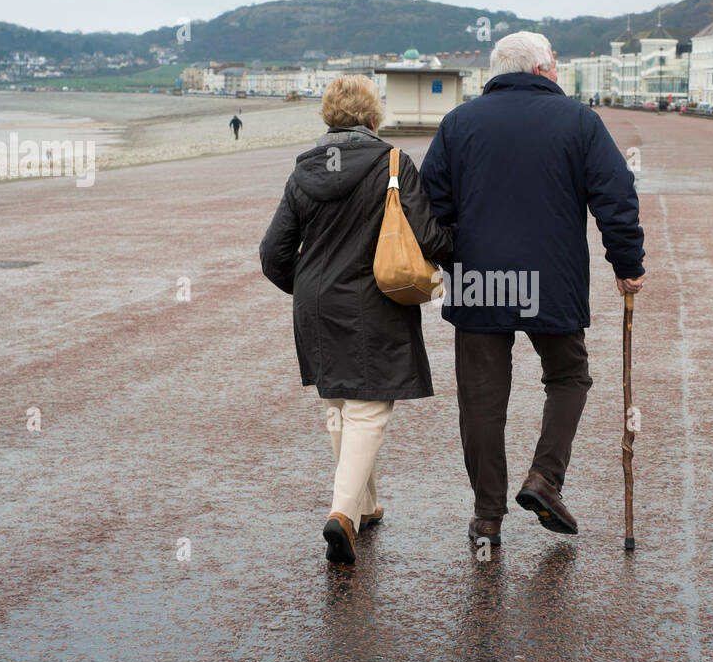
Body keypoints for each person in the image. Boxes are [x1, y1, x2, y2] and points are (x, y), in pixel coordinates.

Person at [420, 31, 645, 548]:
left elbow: (430, 206)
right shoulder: (580, 121)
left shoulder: (458, 123)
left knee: (481, 400)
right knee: (569, 376)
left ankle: (487, 516)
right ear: (544, 69)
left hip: (478, 281)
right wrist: (626, 263)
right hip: (553, 279)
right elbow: (615, 196)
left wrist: (455, 257)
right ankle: (544, 477)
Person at [259, 75, 453, 566]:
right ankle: (342, 513)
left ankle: (364, 506)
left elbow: (272, 253)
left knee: (340, 404)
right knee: (368, 408)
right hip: (373, 301)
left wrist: (306, 288)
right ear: (373, 118)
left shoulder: (303, 171)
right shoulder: (392, 163)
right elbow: (429, 236)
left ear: (328, 116)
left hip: (315, 304)